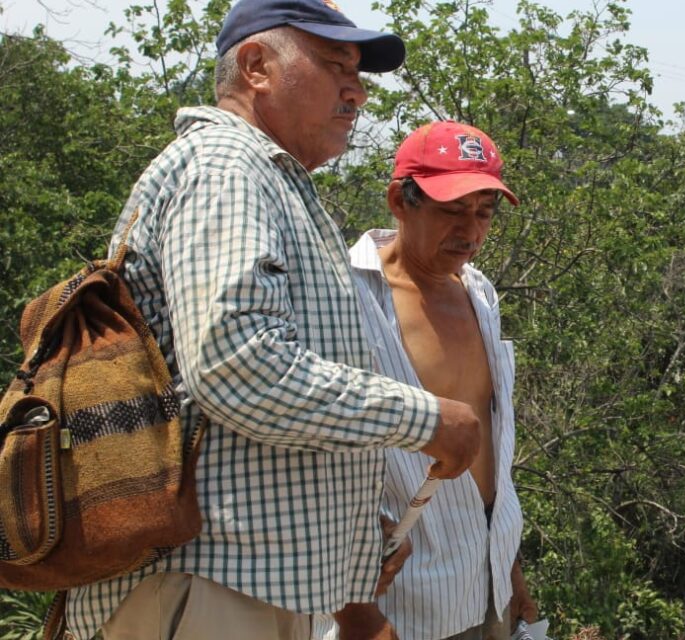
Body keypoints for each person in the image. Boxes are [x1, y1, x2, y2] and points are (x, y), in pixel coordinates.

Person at [62, 1, 483, 638]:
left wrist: (343, 530)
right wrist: (428, 419)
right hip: (205, 584)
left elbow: (246, 430)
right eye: (335, 64)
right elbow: (241, 364)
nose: (356, 90)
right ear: (256, 65)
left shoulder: (266, 177)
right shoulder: (227, 168)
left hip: (235, 582)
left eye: (360, 74)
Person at [316, 121, 537, 640]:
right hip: (402, 601)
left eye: (484, 212)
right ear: (400, 199)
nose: (471, 231)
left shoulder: (480, 293)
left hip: (486, 589)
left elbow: (490, 450)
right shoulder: (344, 296)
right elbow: (316, 458)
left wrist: (509, 570)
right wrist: (359, 617)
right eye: (451, 210)